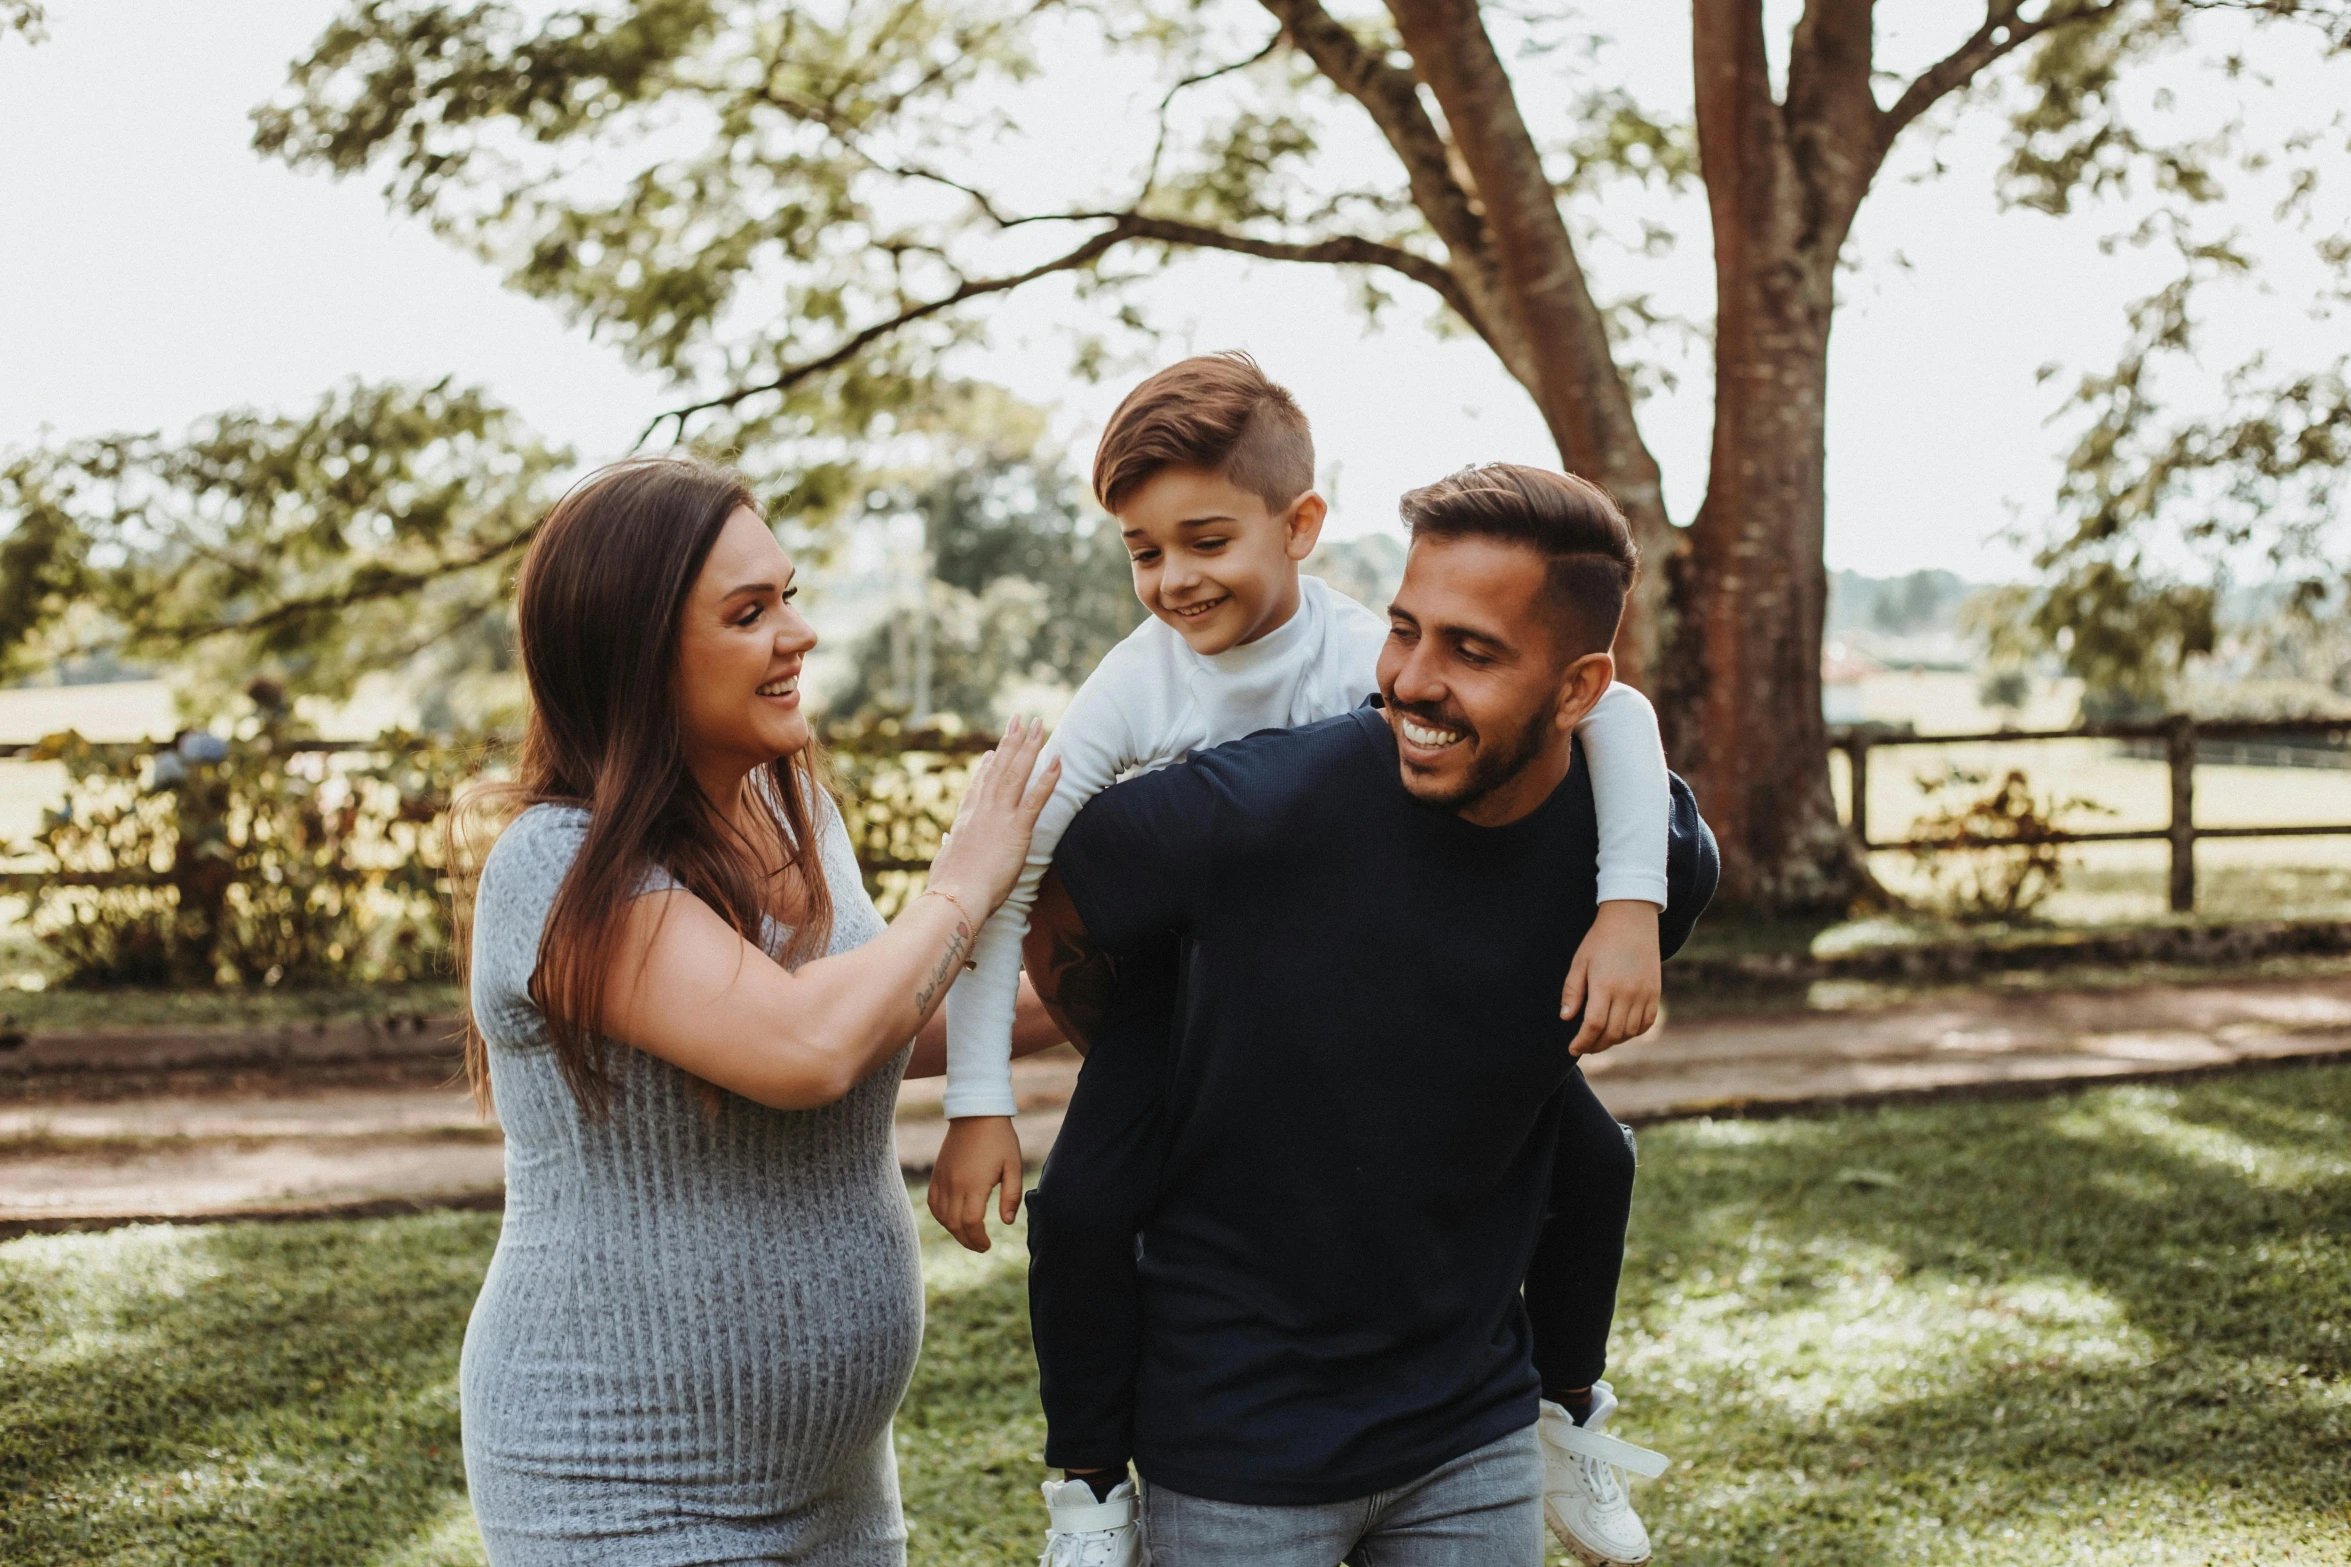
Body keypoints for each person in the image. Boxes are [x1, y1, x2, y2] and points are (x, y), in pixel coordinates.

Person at [919, 354, 1677, 1565]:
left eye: (1203, 539)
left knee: (1593, 1153)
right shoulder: (1130, 689)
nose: (1171, 580)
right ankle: (1087, 1487)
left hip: (1365, 1002)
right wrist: (974, 1103)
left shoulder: (1364, 650)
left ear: (1302, 525)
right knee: (1084, 1206)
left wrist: (1625, 903)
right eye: (1141, 550)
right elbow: (1009, 882)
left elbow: (1621, 714)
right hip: (1182, 1005)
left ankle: (1566, 1406)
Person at [453, 457, 1065, 1566]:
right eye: (750, 612)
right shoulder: (556, 865)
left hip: (835, 1496)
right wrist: (963, 883)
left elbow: (878, 1017)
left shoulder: (795, 810)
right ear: (638, 655)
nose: (800, 633)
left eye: (787, 594)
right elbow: (802, 1045)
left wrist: (1086, 988)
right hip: (619, 1493)